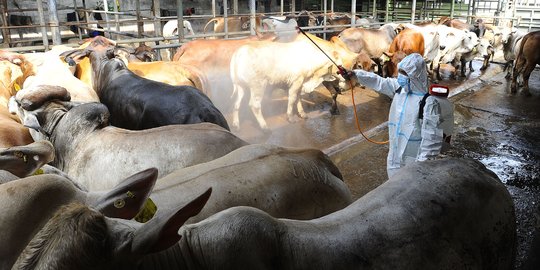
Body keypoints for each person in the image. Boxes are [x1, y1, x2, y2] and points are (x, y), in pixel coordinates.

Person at [347, 53, 454, 178]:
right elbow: (379, 81)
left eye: (404, 73)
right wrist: (355, 74)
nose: (400, 76)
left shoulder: (428, 102)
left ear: (415, 76)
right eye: (400, 72)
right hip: (394, 155)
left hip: (414, 160)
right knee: (392, 187)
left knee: (410, 192)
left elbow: (432, 140)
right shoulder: (399, 89)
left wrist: (422, 167)